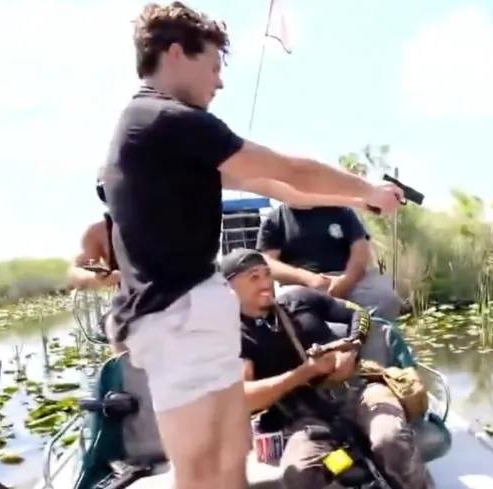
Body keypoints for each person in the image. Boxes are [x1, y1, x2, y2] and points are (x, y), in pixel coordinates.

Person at [103, 4, 403, 489]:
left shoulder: (164, 133)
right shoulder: (164, 119)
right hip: (176, 317)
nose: (219, 83)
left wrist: (359, 200)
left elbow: (286, 190)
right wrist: (367, 189)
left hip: (196, 312)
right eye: (215, 67)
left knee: (232, 458)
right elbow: (290, 169)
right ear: (177, 53)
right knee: (200, 469)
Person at [221, 248, 435, 489]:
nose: (265, 283)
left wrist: (351, 349)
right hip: (309, 419)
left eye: (267, 274)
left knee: (389, 440)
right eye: (253, 277)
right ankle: (351, 457)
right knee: (301, 475)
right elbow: (244, 398)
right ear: (229, 288)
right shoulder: (235, 337)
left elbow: (358, 313)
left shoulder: (298, 299)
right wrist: (306, 372)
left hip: (362, 392)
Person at [258, 204, 402, 320]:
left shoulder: (341, 211)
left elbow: (360, 249)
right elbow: (269, 262)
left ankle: (371, 346)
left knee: (386, 298)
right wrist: (308, 279)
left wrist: (346, 281)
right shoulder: (275, 220)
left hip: (350, 279)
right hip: (299, 285)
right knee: (289, 312)